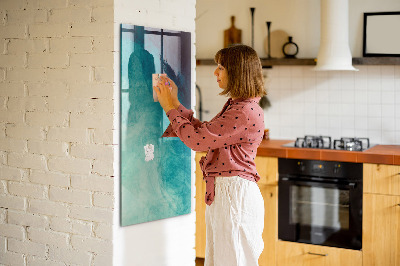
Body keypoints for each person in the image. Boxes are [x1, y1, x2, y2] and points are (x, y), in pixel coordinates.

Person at [153, 44, 266, 266]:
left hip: (234, 196)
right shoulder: (239, 106)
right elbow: (205, 133)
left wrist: (169, 108)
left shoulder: (243, 111)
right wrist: (175, 103)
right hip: (228, 194)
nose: (215, 72)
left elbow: (197, 141)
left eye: (221, 67)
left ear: (237, 71)